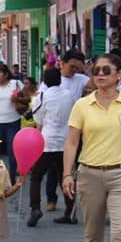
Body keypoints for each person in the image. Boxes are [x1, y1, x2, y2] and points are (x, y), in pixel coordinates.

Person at [62, 53, 121, 242]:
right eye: (96, 71)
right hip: (89, 174)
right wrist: (67, 174)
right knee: (93, 233)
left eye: (106, 70)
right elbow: (72, 142)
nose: (100, 75)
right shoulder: (82, 105)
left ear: (119, 74)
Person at [40, 50, 94, 213]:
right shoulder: (52, 81)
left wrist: (84, 69)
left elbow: (96, 84)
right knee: (52, 170)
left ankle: (70, 207)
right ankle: (51, 199)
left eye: (76, 67)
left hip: (75, 129)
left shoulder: (81, 78)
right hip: (54, 133)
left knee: (70, 169)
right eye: (71, 66)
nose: (73, 70)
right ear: (62, 63)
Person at [27, 68, 75, 227]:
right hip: (66, 142)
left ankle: (35, 208)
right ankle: (70, 211)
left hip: (46, 142)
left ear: (45, 81)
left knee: (36, 176)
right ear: (60, 80)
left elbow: (38, 119)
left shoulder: (41, 96)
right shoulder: (69, 95)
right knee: (65, 177)